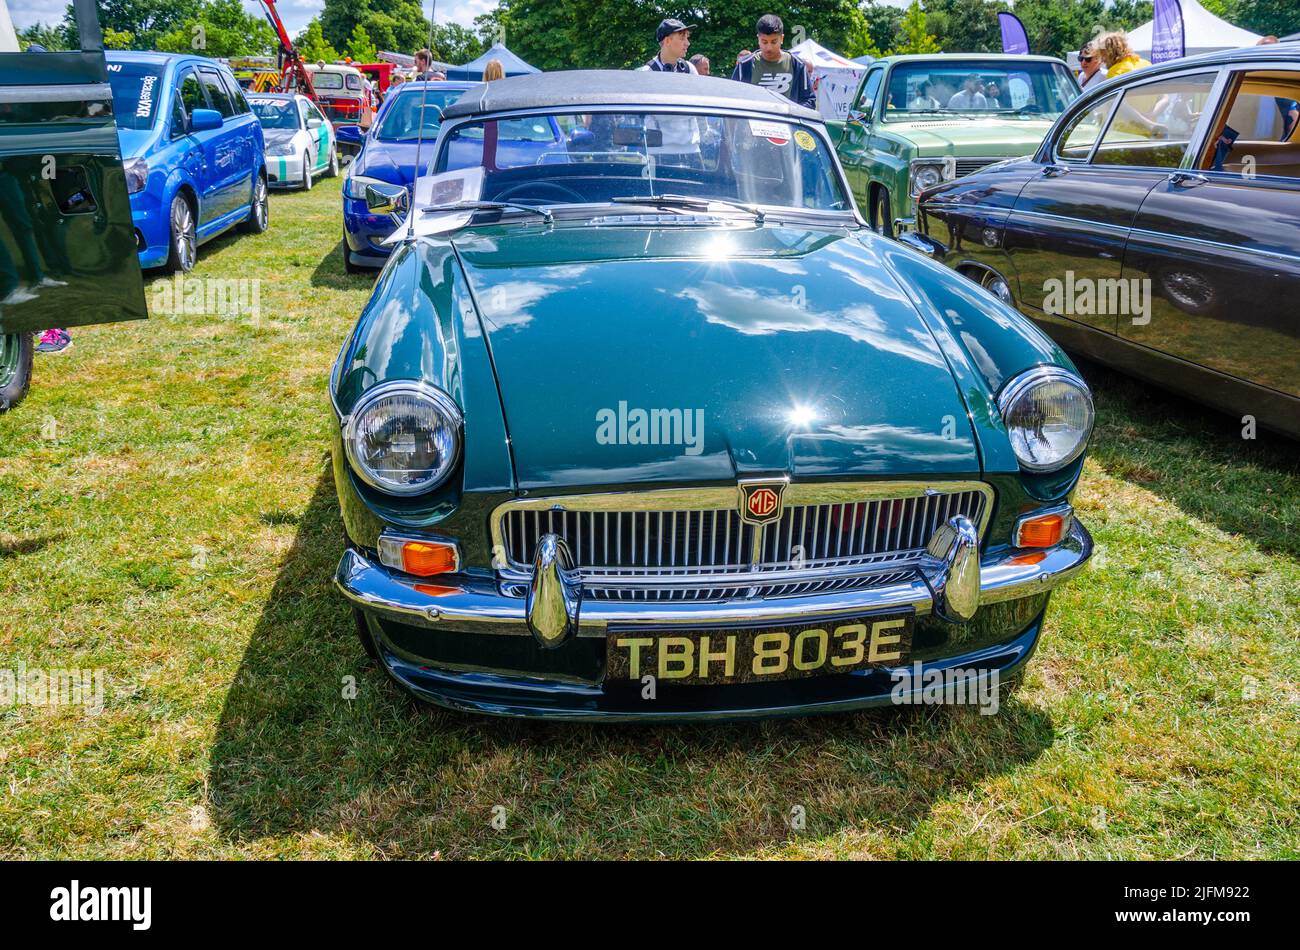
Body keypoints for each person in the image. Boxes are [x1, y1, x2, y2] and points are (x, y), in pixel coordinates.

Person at [730, 14, 815, 109]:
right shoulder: (744, 65)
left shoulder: (797, 65)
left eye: (774, 42)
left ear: (782, 38)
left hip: (787, 122)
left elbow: (809, 102)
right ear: (758, 38)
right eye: (764, 42)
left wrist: (790, 112)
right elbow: (733, 99)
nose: (769, 48)